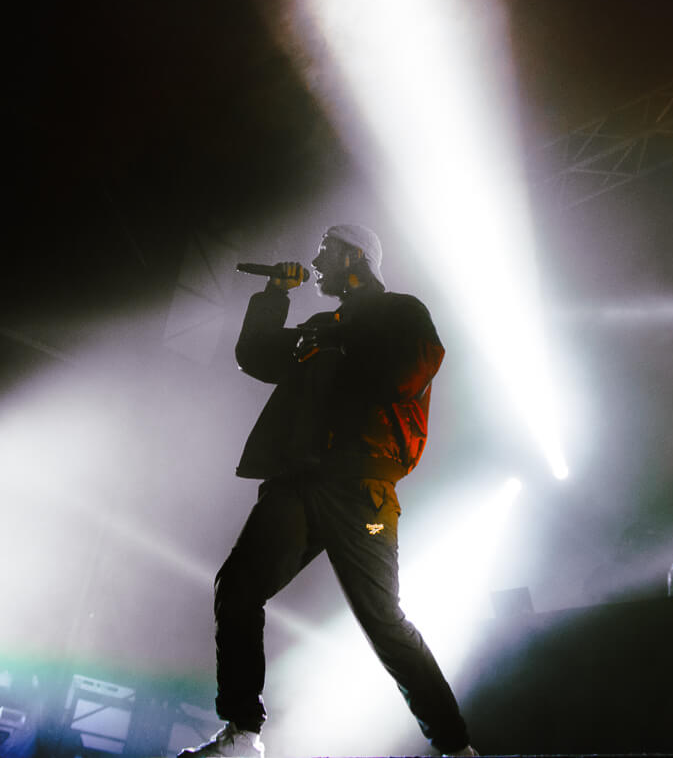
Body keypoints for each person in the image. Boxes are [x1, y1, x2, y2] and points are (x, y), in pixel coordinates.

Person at [180, 224, 477, 758]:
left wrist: (343, 341)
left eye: (325, 251)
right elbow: (255, 357)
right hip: (301, 477)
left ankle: (456, 749)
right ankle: (243, 734)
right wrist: (275, 296)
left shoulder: (400, 312)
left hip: (362, 483)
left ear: (354, 257)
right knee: (238, 589)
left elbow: (412, 371)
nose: (315, 260)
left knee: (382, 619)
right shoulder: (320, 325)